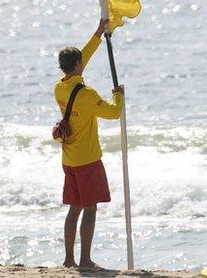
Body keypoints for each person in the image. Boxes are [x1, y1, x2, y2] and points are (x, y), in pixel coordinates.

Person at [54, 17, 124, 269]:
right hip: (87, 160)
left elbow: (82, 58)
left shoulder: (59, 88)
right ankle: (84, 259)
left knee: (74, 209)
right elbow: (115, 114)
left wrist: (97, 34)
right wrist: (119, 97)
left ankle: (69, 259)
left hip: (69, 160)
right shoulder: (87, 95)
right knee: (90, 209)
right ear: (78, 65)